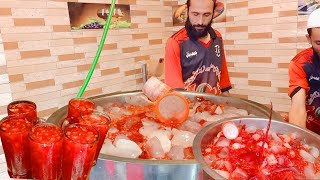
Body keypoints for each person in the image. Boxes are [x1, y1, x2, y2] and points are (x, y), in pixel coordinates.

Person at [164, 0, 231, 95]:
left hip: (216, 104)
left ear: (213, 14)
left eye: (206, 15)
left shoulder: (217, 37)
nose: (200, 22)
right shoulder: (175, 42)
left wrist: (227, 104)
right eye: (195, 14)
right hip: (189, 106)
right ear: (187, 11)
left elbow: (223, 75)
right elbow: (175, 91)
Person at [288, 8, 320, 134]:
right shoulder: (301, 63)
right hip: (311, 130)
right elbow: (298, 107)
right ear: (309, 39)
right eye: (319, 43)